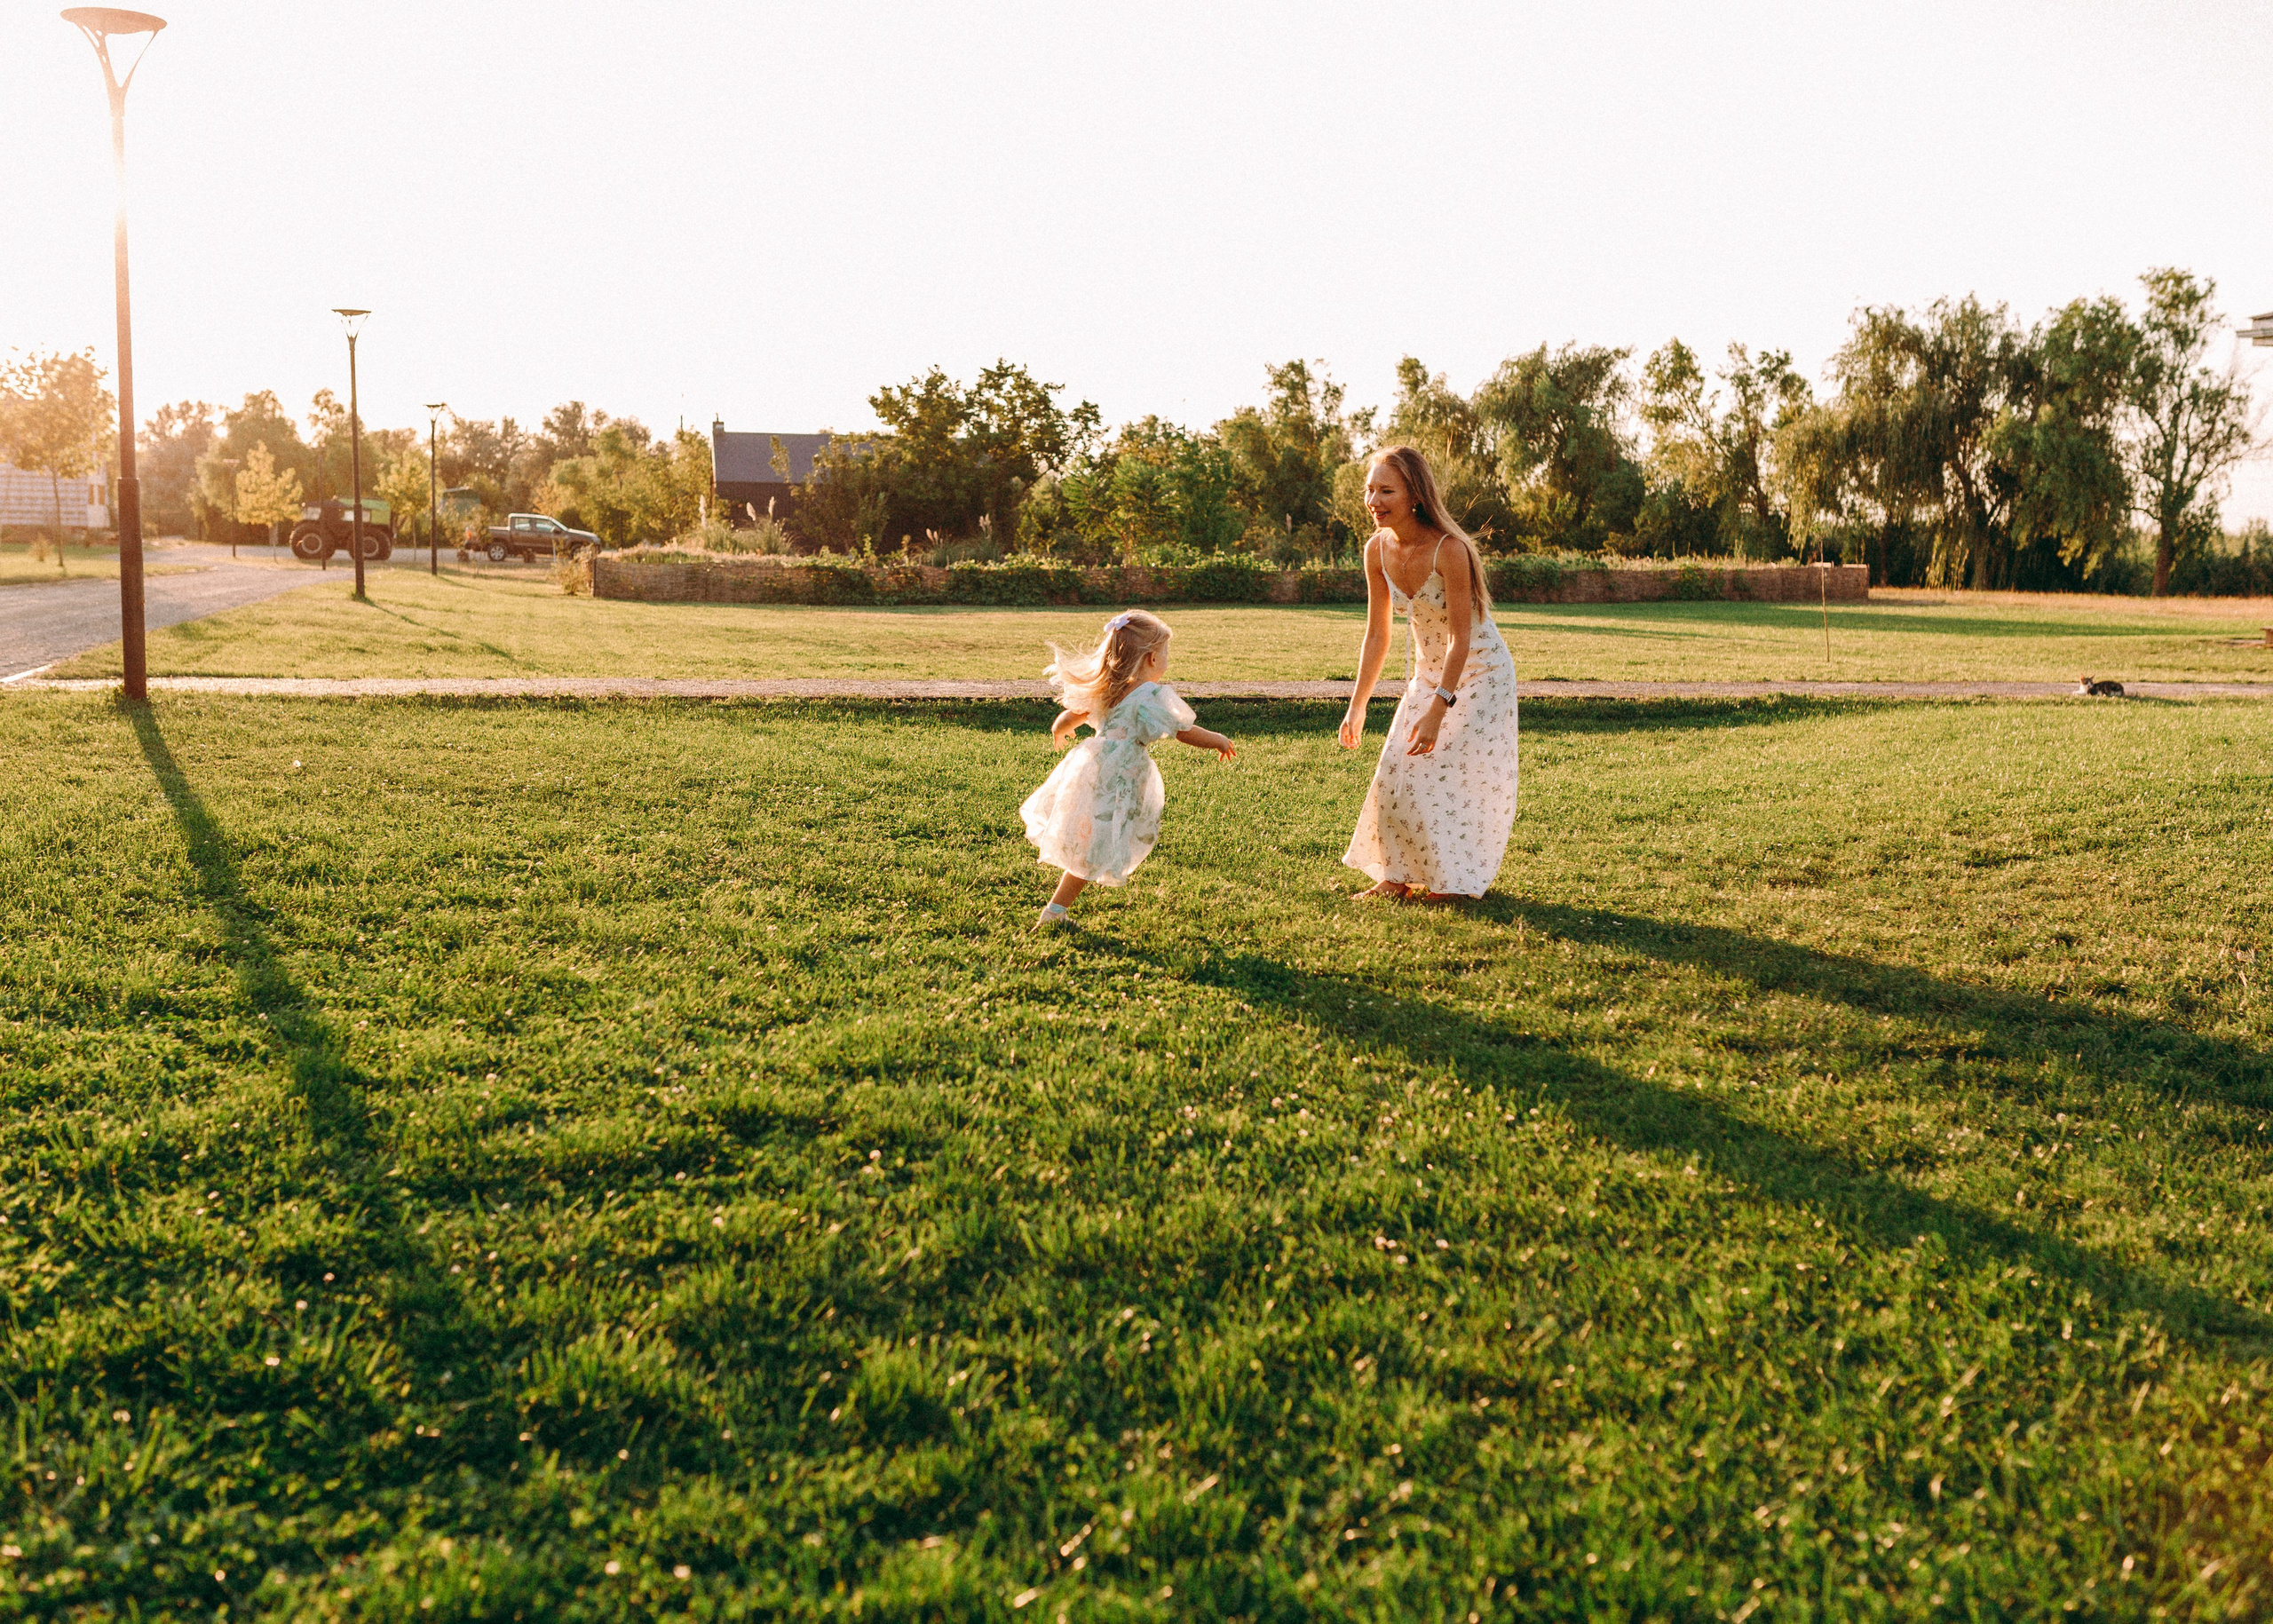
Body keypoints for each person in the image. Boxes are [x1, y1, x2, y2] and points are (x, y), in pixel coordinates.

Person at [1338, 445, 1519, 900]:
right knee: (1397, 768)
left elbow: (1462, 638)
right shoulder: (1376, 550)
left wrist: (1439, 708)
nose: (1374, 500)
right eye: (1370, 489)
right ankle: (1394, 878)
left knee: (1451, 775)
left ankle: (1455, 884)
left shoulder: (1450, 550)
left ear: (1414, 494)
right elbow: (1377, 635)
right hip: (1428, 672)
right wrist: (1357, 706)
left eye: (1386, 490)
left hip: (1480, 673)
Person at [1021, 609, 1236, 926]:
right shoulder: (1151, 695)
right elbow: (1182, 730)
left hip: (1092, 765)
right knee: (1098, 840)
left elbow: (1072, 715)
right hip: (1121, 772)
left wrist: (1059, 728)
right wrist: (1216, 739)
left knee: (1091, 832)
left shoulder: (1108, 687)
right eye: (1165, 653)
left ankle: (1057, 908)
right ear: (1151, 658)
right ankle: (1055, 911)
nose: (1166, 660)